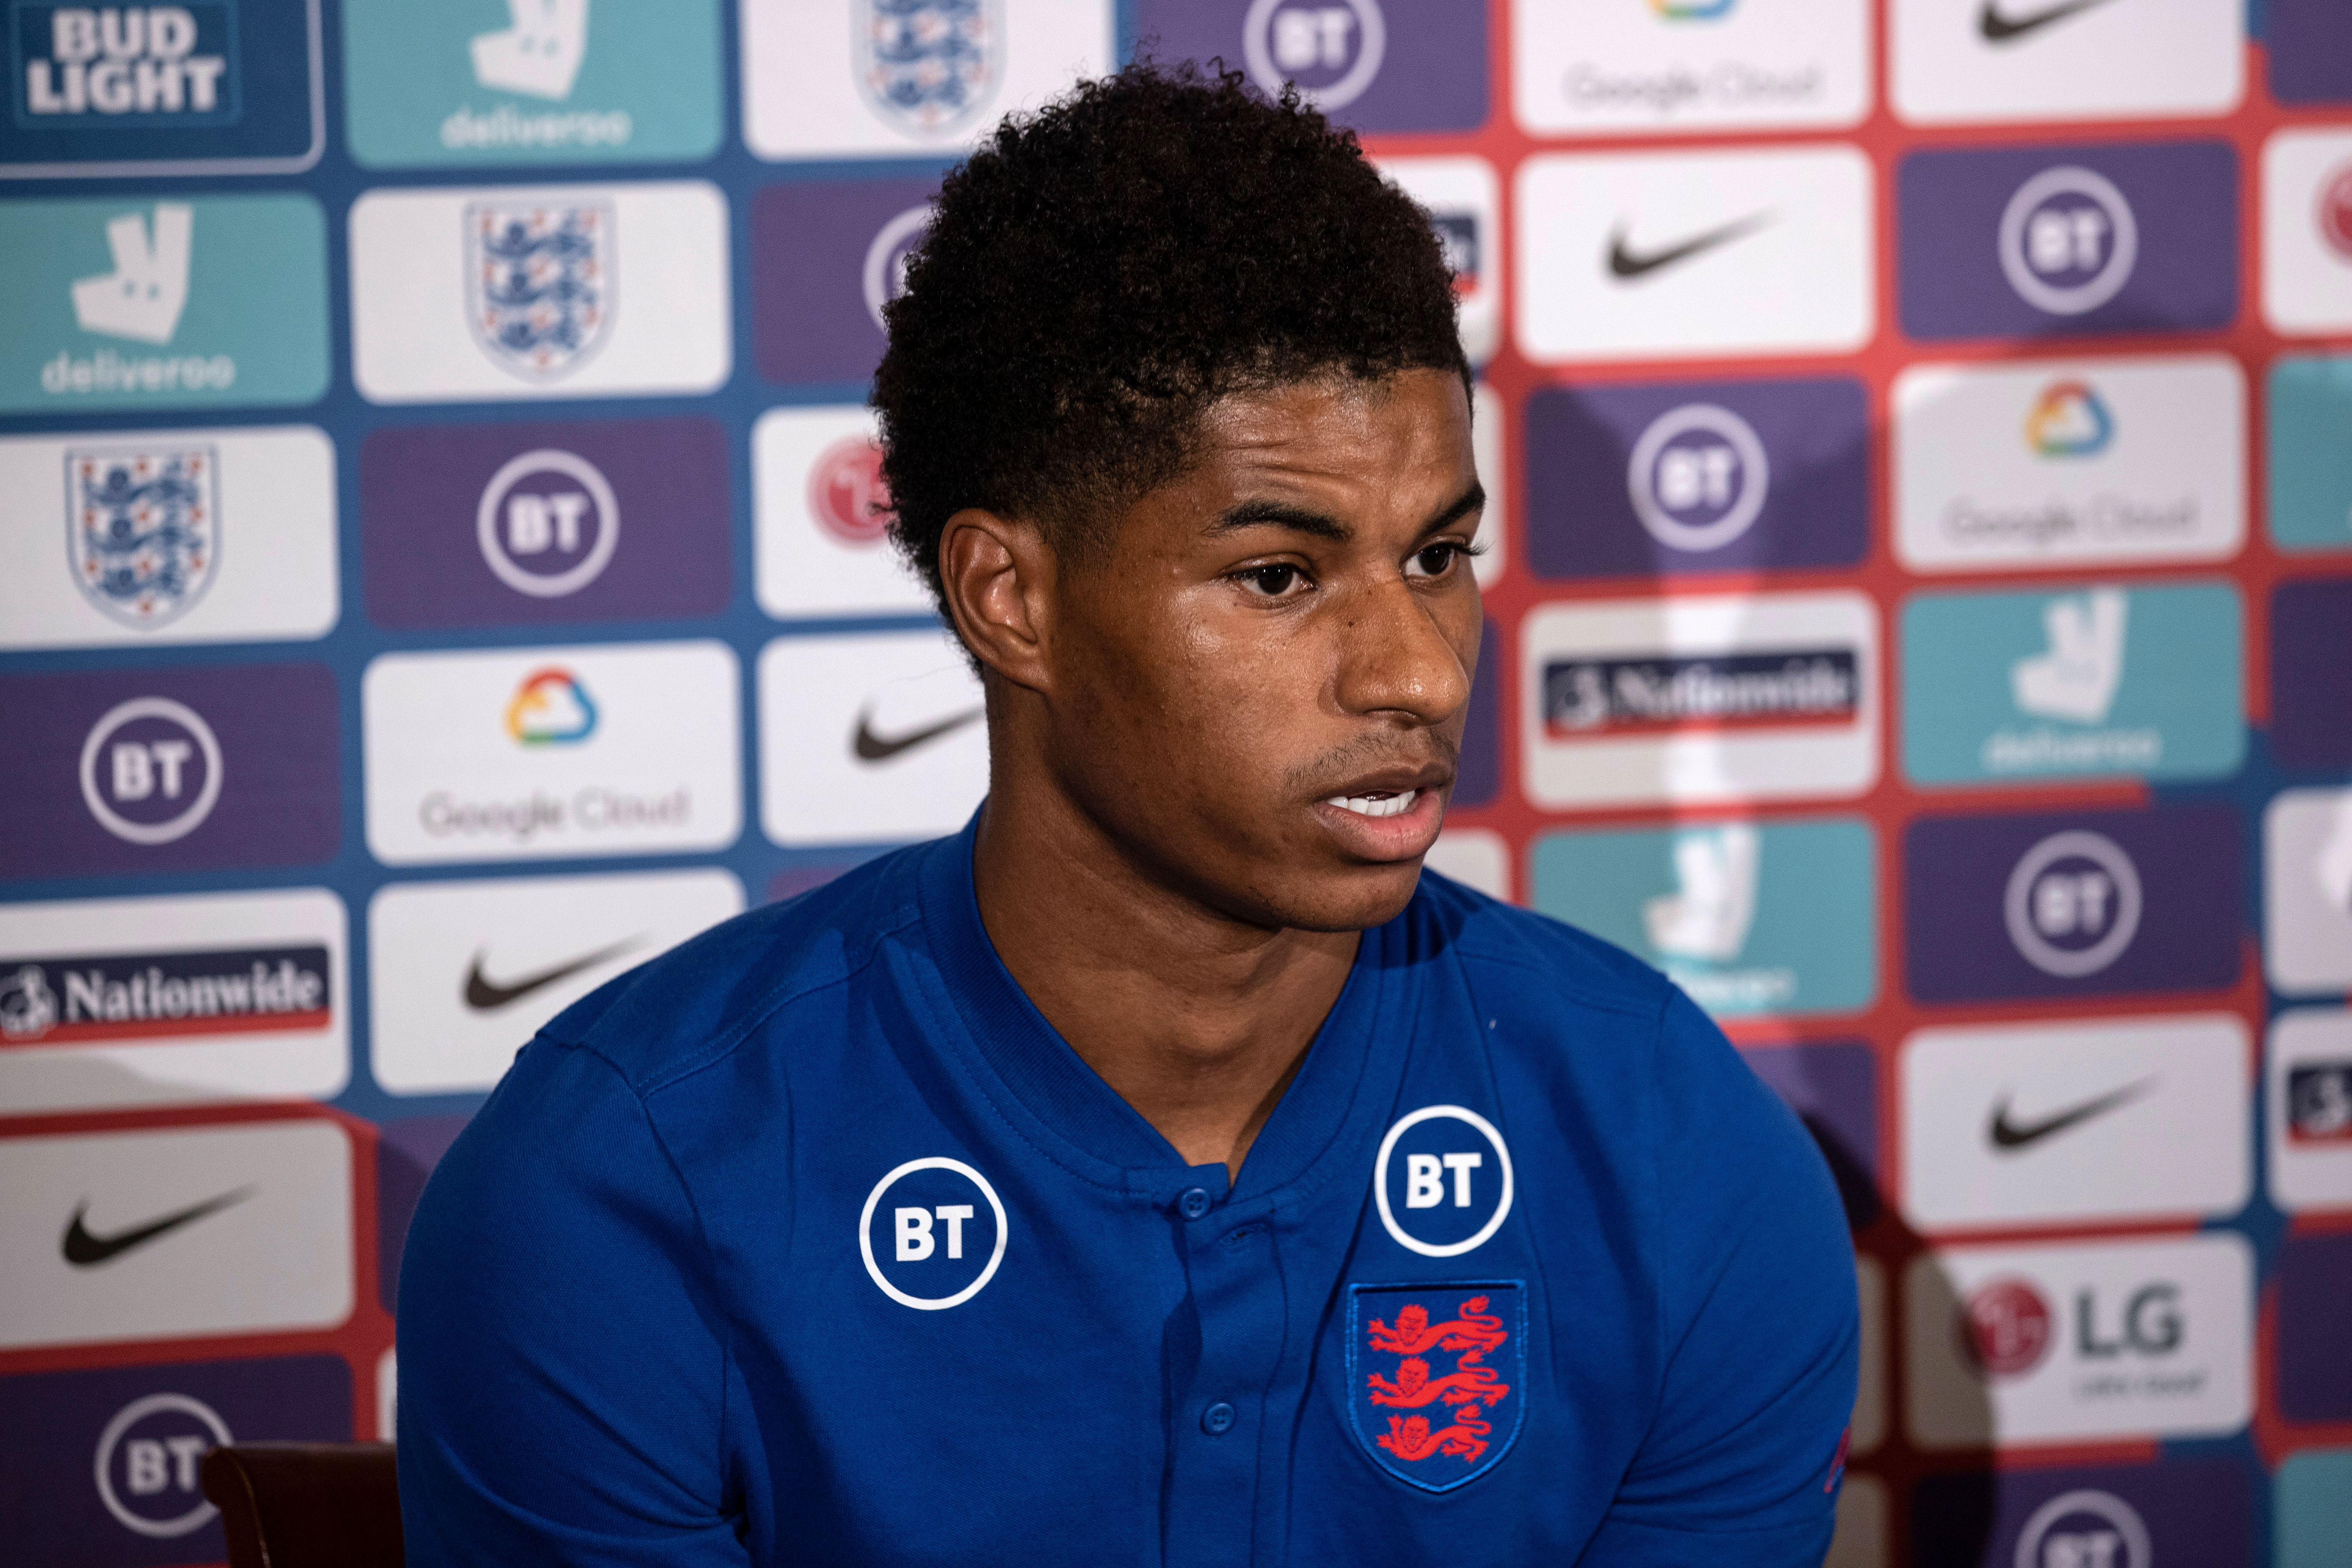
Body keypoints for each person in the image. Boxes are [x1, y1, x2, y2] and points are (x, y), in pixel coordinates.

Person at [396, 62, 1858, 1566]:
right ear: (1010, 599)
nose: (1416, 670)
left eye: (1438, 556)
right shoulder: (619, 1194)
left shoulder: (1679, 1157)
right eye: (1280, 577)